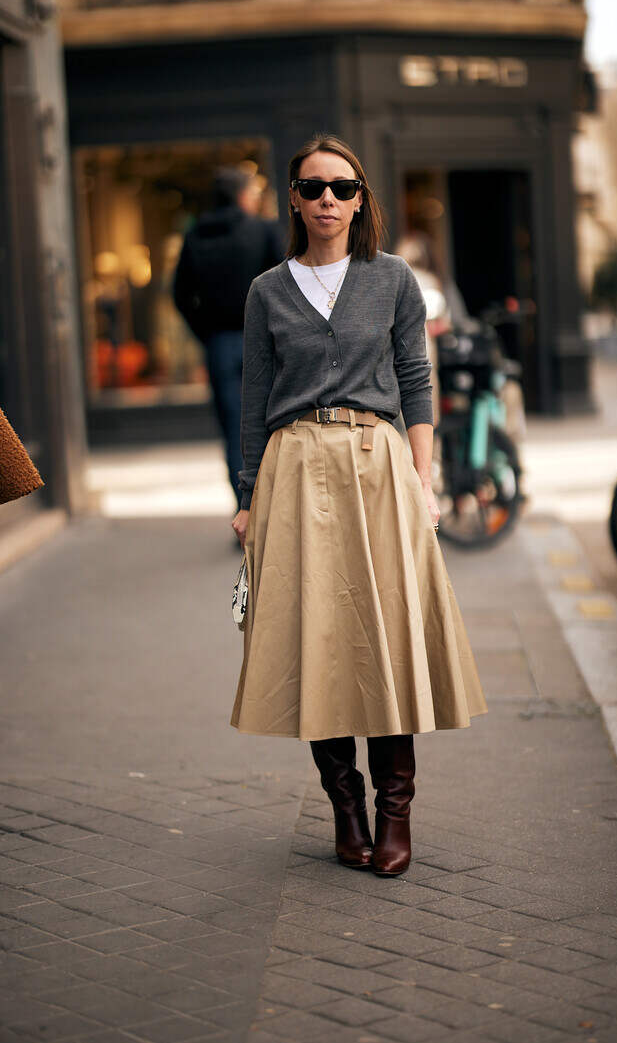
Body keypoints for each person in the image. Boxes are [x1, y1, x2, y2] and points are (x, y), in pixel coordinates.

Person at [230, 135, 487, 877]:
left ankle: (393, 813)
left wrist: (423, 480)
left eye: (342, 188)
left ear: (360, 198)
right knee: (319, 644)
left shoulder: (393, 278)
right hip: (294, 469)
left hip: (378, 467)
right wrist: (248, 499)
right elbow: (255, 400)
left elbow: (416, 379)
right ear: (293, 199)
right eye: (313, 188)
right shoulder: (267, 291)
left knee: (387, 641)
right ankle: (345, 811)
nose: (328, 201)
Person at [173, 168, 284, 507]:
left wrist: (206, 333)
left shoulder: (195, 236)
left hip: (220, 343)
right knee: (275, 422)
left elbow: (180, 294)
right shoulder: (263, 231)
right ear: (242, 196)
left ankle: (245, 506)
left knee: (234, 430)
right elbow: (286, 285)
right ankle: (275, 506)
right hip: (265, 342)